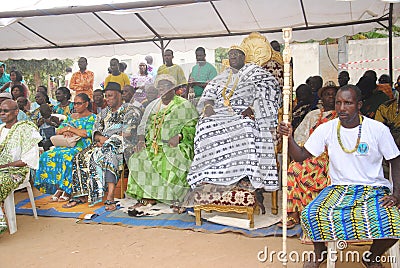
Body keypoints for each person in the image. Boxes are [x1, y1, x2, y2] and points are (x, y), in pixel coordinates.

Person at [278, 85, 400, 268]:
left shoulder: (378, 129)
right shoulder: (326, 129)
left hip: (373, 188)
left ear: (359, 105)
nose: (342, 108)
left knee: (393, 222)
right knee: (311, 214)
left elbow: (395, 160)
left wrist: (396, 194)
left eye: (348, 103)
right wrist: (289, 137)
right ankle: (320, 253)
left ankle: (372, 256)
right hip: (338, 188)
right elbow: (300, 156)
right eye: (338, 103)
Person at [186, 45, 281, 192]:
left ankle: (244, 173)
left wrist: (253, 108)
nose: (233, 57)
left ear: (244, 57)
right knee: (204, 126)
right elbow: (209, 94)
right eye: (230, 55)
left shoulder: (256, 73)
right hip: (221, 112)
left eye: (236, 54)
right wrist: (208, 107)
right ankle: (209, 173)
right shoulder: (223, 75)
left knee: (246, 127)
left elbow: (268, 93)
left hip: (243, 112)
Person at [126, 74, 198, 210]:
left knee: (172, 160)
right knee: (138, 158)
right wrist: (141, 140)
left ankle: (174, 198)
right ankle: (148, 196)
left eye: (165, 86)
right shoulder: (153, 105)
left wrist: (180, 136)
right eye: (160, 87)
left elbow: (193, 126)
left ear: (173, 89)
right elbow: (143, 125)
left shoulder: (184, 105)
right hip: (154, 144)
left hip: (176, 144)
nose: (162, 90)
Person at [278, 82, 338, 229]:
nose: (330, 97)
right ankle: (293, 214)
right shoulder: (313, 115)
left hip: (334, 158)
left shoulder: (344, 116)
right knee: (293, 169)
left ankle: (314, 213)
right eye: (327, 94)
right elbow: (299, 136)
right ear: (321, 98)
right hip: (313, 154)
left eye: (333, 94)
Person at [64, 82, 131, 211]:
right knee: (80, 157)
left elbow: (129, 131)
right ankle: (81, 195)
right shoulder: (103, 113)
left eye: (110, 96)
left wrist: (109, 140)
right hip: (101, 142)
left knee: (109, 155)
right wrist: (100, 138)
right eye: (106, 96)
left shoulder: (130, 110)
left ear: (120, 95)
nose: (107, 99)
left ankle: (110, 196)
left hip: (120, 144)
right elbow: (96, 131)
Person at [34, 93, 96, 202]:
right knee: (47, 155)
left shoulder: (92, 117)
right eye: (74, 104)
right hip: (67, 144)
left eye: (79, 104)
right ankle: (59, 187)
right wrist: (66, 131)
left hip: (83, 145)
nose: (76, 106)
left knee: (68, 157)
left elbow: (87, 133)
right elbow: (58, 130)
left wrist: (70, 129)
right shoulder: (70, 117)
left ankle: (67, 190)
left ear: (86, 104)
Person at [0, 99, 41, 234]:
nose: (2, 114)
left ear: (16, 112)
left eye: (6, 111)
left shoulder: (26, 129)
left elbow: (27, 160)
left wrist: (4, 166)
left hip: (17, 171)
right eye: (0, 111)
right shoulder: (0, 129)